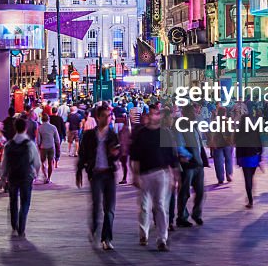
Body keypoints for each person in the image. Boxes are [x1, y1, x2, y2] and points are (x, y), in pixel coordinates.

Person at [129, 107, 177, 251]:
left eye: (155, 114)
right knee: (144, 206)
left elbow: (172, 156)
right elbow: (135, 156)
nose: (152, 117)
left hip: (161, 172)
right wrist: (135, 175)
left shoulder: (165, 133)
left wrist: (174, 176)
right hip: (144, 173)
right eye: (150, 114)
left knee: (160, 205)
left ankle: (162, 238)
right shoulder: (141, 134)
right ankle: (143, 234)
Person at [77, 104, 120, 250]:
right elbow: (82, 154)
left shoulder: (112, 135)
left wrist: (115, 154)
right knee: (96, 205)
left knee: (110, 208)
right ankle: (94, 228)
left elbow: (118, 152)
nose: (108, 119)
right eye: (104, 116)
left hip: (109, 173)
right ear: (98, 117)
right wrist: (79, 170)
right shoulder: (89, 135)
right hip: (95, 174)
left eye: (109, 116)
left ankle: (106, 238)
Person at [0, 117, 40, 237]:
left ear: (15, 128)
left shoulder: (9, 145)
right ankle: (21, 227)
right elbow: (36, 162)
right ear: (26, 128)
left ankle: (14, 224)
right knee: (25, 201)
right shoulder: (30, 144)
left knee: (13, 200)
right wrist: (35, 174)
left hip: (12, 175)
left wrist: (3, 177)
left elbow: (4, 163)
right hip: (26, 175)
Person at [175, 104, 207, 226]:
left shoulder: (194, 125)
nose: (194, 114)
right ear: (185, 114)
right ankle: (182, 217)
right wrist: (188, 157)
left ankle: (196, 214)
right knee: (184, 193)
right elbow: (179, 145)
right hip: (188, 165)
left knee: (200, 192)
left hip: (198, 164)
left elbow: (199, 143)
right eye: (192, 112)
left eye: (194, 112)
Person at [235, 117, 263, 209]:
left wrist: (238, 159)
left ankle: (250, 200)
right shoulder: (254, 131)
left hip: (244, 158)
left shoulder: (239, 132)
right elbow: (260, 145)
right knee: (251, 176)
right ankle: (250, 194)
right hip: (254, 157)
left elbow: (237, 146)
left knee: (247, 178)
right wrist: (260, 157)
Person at [209, 106, 234, 185]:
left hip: (218, 143)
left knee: (218, 161)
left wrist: (212, 142)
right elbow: (232, 132)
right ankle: (229, 174)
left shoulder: (214, 121)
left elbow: (211, 133)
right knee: (229, 159)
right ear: (225, 113)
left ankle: (220, 178)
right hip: (227, 143)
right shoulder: (228, 120)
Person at [35, 110, 61, 184]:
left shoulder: (40, 128)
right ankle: (49, 178)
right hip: (51, 146)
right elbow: (57, 139)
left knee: (43, 162)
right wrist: (58, 147)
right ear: (48, 119)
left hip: (43, 147)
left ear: (42, 120)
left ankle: (45, 176)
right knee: (50, 162)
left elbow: (38, 140)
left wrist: (39, 147)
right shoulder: (53, 127)